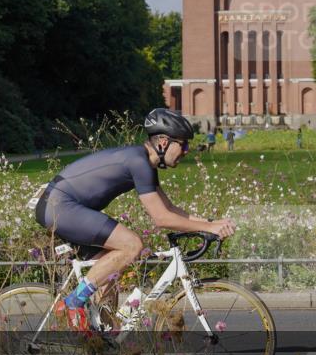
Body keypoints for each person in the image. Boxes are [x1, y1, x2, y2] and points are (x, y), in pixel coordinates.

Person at [34, 108, 236, 330]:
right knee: (132, 245)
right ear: (162, 142)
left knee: (110, 271)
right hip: (60, 206)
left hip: (65, 206)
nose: (187, 150)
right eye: (183, 144)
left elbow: (170, 208)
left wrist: (210, 224)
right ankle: (73, 302)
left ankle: (103, 343)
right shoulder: (138, 162)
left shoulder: (144, 163)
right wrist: (210, 227)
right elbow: (161, 218)